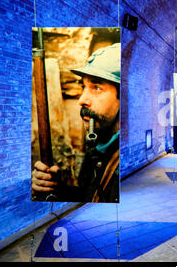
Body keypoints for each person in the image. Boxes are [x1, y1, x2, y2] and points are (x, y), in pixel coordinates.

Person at [32, 43, 121, 202]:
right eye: (84, 86)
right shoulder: (98, 146)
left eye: (96, 87)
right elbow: (91, 198)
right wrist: (55, 189)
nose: (82, 100)